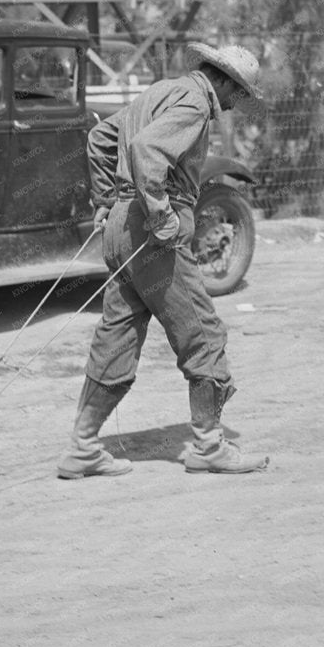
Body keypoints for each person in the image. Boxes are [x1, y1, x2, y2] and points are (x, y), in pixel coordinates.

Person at [57, 41, 269, 479]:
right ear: (222, 81)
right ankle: (209, 445)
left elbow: (100, 138)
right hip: (150, 238)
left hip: (120, 229)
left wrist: (106, 199)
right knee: (204, 334)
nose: (235, 104)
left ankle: (82, 447)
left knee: (117, 336)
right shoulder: (194, 103)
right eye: (238, 93)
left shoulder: (160, 92)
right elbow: (148, 152)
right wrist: (161, 215)